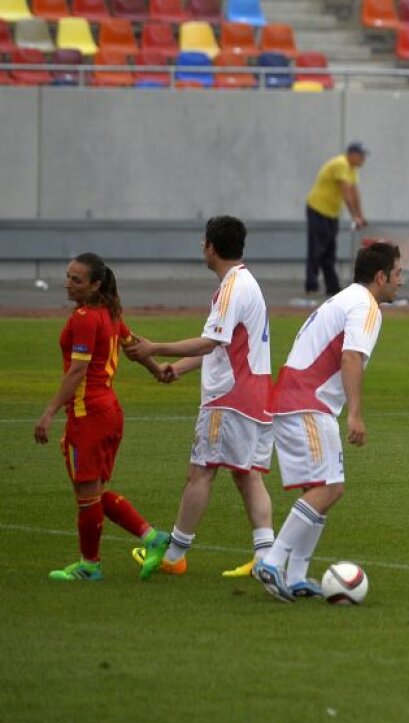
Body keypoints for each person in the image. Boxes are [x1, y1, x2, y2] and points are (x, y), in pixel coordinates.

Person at [125, 216, 275, 579]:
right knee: (248, 476)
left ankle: (175, 554)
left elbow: (211, 341)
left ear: (211, 246)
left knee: (200, 473)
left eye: (203, 242)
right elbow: (222, 343)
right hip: (256, 394)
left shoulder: (231, 288)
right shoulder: (244, 282)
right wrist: (176, 368)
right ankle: (268, 557)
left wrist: (157, 346)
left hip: (230, 397)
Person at [252, 241, 402, 602]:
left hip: (298, 399)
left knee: (324, 487)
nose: (402, 281)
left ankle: (298, 574)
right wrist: (354, 413)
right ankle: (272, 562)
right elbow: (351, 356)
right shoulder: (366, 307)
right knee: (329, 489)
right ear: (380, 277)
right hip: (308, 403)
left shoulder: (344, 297)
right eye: (398, 274)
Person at [34, 253, 171, 581]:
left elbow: (78, 371)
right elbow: (133, 346)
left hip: (89, 416)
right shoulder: (109, 313)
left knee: (86, 495)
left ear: (95, 285)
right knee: (92, 492)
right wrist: (158, 371)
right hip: (109, 412)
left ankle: (89, 566)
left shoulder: (85, 317)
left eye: (76, 279)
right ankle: (153, 538)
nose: (68, 283)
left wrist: (49, 411)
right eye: (68, 276)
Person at [305, 142, 369, 297]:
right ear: (352, 154)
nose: (363, 159)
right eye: (361, 156)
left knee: (330, 249)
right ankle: (311, 285)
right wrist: (355, 216)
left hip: (331, 213)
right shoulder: (341, 164)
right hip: (318, 209)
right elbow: (346, 193)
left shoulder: (351, 169)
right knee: (317, 248)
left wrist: (361, 216)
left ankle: (332, 287)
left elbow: (355, 193)